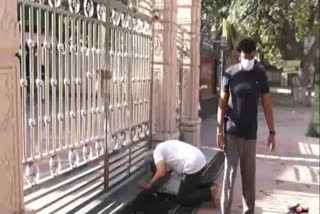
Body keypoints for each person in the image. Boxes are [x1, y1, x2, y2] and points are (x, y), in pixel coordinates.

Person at [217, 38, 276, 214]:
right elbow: (222, 103)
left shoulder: (260, 74)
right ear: (240, 55)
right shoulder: (230, 74)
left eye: (250, 57)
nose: (247, 60)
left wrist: (272, 132)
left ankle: (248, 211)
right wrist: (219, 130)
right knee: (229, 176)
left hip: (250, 135)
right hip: (231, 133)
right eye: (244, 57)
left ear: (255, 54)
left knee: (249, 179)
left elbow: (267, 105)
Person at [140, 140, 220, 207]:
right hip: (200, 158)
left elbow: (160, 172)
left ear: (153, 161)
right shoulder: (165, 145)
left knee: (183, 199)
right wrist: (165, 173)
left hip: (192, 165)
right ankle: (210, 185)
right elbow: (169, 167)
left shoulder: (157, 153)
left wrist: (149, 185)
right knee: (190, 185)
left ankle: (209, 193)